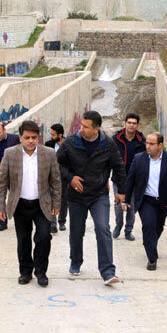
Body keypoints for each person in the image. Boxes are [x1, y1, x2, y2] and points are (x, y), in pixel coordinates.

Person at [56, 110, 126, 285]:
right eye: (81, 125)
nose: (81, 129)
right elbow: (57, 164)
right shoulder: (70, 142)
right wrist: (70, 178)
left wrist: (121, 191)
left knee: (103, 228)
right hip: (76, 196)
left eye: (86, 127)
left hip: (98, 195)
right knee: (76, 231)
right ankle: (75, 261)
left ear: (96, 128)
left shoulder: (107, 144)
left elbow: (118, 167)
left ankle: (108, 271)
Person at [0, 121, 62, 287]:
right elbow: (1, 182)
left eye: (34, 137)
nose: (31, 141)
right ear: (20, 138)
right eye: (27, 137)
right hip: (20, 205)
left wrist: (56, 203)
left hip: (42, 205)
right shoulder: (10, 154)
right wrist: (0, 206)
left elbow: (55, 181)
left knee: (44, 237)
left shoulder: (48, 154)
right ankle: (25, 272)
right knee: (23, 240)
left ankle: (41, 272)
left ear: (38, 137)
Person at [123, 132, 167, 270]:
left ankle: (149, 242)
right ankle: (152, 258)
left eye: (151, 144)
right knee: (148, 225)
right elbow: (131, 180)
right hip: (146, 200)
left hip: (164, 201)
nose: (147, 146)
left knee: (158, 227)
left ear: (160, 145)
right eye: (147, 143)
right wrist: (126, 199)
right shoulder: (139, 159)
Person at [111, 113, 146, 241]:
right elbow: (108, 159)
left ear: (137, 125)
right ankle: (118, 225)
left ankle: (128, 230)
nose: (131, 125)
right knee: (119, 206)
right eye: (129, 122)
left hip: (135, 180)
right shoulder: (116, 139)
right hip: (119, 179)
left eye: (134, 123)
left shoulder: (142, 141)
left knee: (131, 207)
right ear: (125, 123)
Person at [45, 123, 68, 233]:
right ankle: (52, 223)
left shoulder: (69, 145)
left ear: (60, 135)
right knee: (51, 199)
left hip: (64, 177)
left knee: (63, 199)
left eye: (53, 135)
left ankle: (62, 221)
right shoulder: (48, 144)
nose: (51, 137)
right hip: (50, 176)